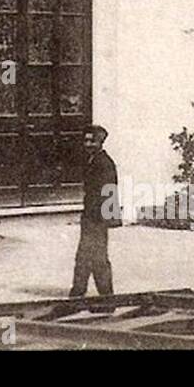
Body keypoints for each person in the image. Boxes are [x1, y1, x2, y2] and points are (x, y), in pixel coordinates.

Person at [70, 124, 119, 299]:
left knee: (98, 257)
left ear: (101, 142)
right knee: (84, 254)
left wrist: (108, 218)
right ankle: (78, 292)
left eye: (93, 141)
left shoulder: (104, 163)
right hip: (90, 215)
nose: (88, 144)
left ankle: (106, 297)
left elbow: (110, 190)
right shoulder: (91, 160)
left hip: (98, 217)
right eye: (86, 140)